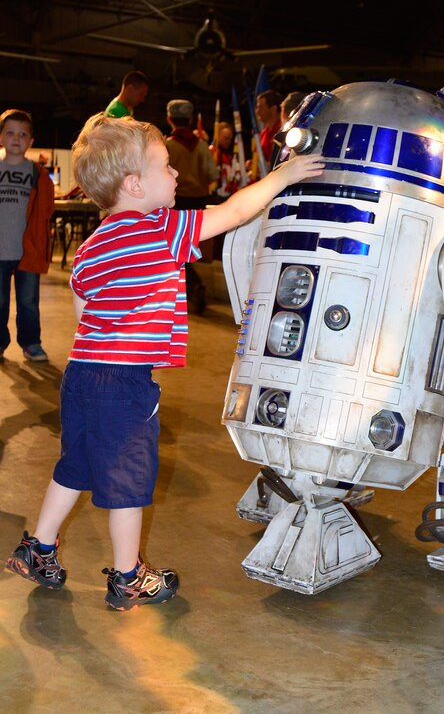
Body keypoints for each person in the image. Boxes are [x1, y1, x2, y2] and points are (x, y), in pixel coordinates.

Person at [4, 113, 324, 610]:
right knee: (128, 485)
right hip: (125, 383)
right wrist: (283, 176)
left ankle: (38, 549)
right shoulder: (161, 229)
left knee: (76, 464)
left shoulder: (89, 249)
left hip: (82, 375)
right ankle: (129, 577)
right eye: (166, 167)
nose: (176, 176)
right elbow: (235, 211)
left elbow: (83, 310)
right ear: (135, 185)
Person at [0, 109, 55, 363]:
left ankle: (31, 343)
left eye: (23, 134)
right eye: (10, 132)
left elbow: (45, 212)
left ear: (31, 142)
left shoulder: (38, 175)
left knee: (29, 302)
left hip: (27, 252)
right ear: (1, 138)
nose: (16, 138)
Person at [165, 99, 219, 314]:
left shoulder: (167, 146)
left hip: (175, 204)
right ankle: (192, 287)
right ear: (190, 119)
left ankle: (193, 286)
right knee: (185, 248)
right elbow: (213, 174)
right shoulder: (203, 146)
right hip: (198, 204)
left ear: (169, 119)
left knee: (174, 250)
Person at [255, 89, 282, 165]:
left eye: (261, 107)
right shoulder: (264, 133)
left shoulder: (283, 131)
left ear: (273, 109)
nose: (257, 111)